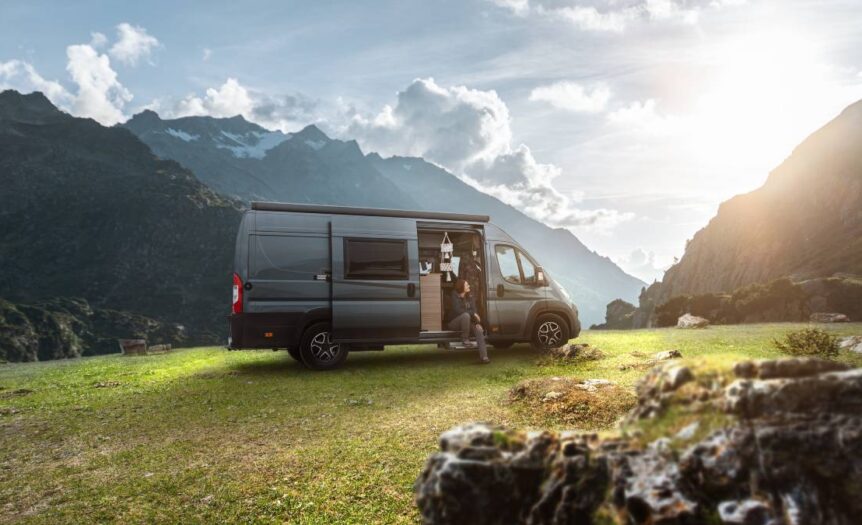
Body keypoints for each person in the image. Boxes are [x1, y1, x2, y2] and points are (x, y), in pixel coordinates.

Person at [447, 278, 489, 364]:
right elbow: (457, 310)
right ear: (461, 286)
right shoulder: (454, 294)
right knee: (465, 315)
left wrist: (477, 323)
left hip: (467, 322)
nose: (469, 286)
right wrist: (472, 314)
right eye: (467, 285)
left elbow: (474, 310)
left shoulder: (470, 296)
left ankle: (484, 357)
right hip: (454, 323)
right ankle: (465, 339)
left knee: (479, 330)